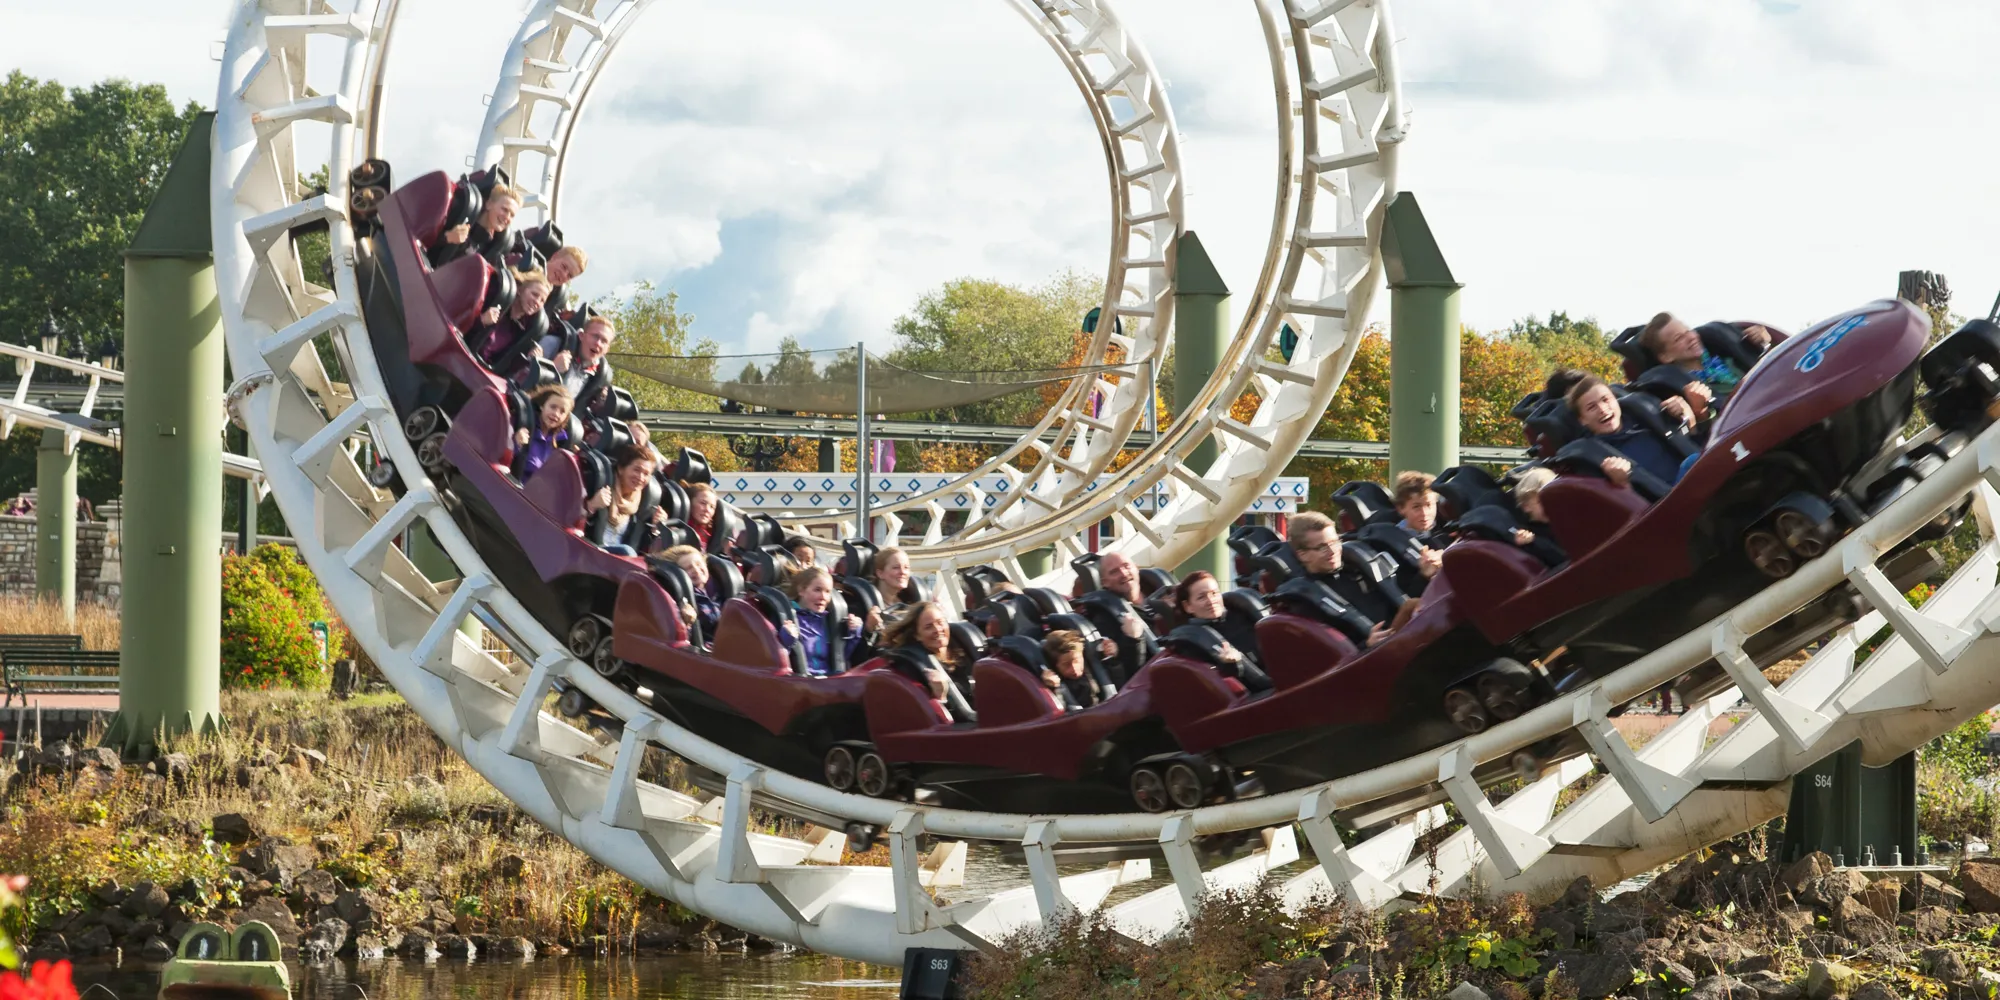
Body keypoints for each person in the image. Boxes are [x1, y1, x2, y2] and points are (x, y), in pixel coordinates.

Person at [1285, 511, 1398, 647]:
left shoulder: (1359, 568)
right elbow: (1324, 654)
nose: (1333, 551)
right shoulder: (1305, 600)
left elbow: (1404, 602)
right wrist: (1366, 646)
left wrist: (1424, 575)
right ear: (1303, 555)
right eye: (1322, 547)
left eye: (1334, 542)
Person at [1565, 375, 1686, 490]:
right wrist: (1621, 484)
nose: (1602, 409)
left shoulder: (1644, 420)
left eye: (1605, 399)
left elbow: (1690, 438)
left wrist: (1688, 416)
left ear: (1616, 400)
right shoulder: (1595, 457)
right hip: (1669, 499)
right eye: (1592, 407)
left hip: (1691, 472)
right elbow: (1624, 506)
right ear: (1582, 420)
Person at [1637, 312, 1771, 409]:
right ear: (1666, 356)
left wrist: (1764, 343)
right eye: (1679, 338)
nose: (1690, 338)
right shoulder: (1683, 389)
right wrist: (1700, 409)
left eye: (1688, 330)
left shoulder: (1725, 354)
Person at [878, 601, 976, 722]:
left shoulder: (961, 650)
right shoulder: (914, 666)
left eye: (940, 623)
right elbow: (924, 720)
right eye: (928, 627)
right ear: (917, 635)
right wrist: (940, 697)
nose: (938, 629)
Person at [782, 567, 864, 678]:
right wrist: (786, 638)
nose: (823, 597)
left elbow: (840, 658)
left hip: (827, 682)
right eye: (817, 590)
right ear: (801, 590)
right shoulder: (786, 616)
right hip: (799, 683)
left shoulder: (829, 620)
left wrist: (854, 632)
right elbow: (774, 659)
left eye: (827, 592)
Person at [584, 445, 664, 556]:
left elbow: (644, 550)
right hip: (590, 553)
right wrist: (591, 506)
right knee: (627, 552)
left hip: (620, 563)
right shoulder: (597, 485)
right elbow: (566, 519)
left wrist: (656, 529)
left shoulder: (644, 502)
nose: (641, 477)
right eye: (637, 470)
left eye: (646, 474)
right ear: (621, 469)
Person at [1173, 571, 1262, 670]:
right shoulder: (1191, 641)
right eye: (1201, 597)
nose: (1211, 601)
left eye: (1214, 593)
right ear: (1188, 606)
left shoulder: (1242, 613)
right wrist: (1228, 664)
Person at [470, 269, 550, 375]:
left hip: (482, 372)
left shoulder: (522, 331)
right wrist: (481, 321)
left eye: (542, 301)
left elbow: (506, 366)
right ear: (520, 290)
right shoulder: (496, 299)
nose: (537, 302)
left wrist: (529, 360)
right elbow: (460, 325)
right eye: (534, 294)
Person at [430, 183, 519, 269]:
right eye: (504, 209)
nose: (507, 217)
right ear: (489, 204)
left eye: (512, 215)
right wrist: (448, 237)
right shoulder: (459, 217)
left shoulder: (493, 249)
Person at [1389, 470, 1445, 581]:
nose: (1425, 513)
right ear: (1401, 508)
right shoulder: (1392, 543)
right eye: (1416, 507)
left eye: (1429, 505)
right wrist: (1424, 575)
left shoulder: (1446, 534)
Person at [512, 383, 574, 482]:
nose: (556, 414)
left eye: (562, 411)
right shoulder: (522, 422)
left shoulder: (561, 442)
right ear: (542, 405)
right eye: (553, 407)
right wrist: (515, 443)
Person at [1510, 467, 1567, 567]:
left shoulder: (1566, 521)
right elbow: (1562, 559)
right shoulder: (1530, 534)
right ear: (1526, 506)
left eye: (1554, 497)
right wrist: (1533, 542)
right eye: (1541, 500)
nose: (1551, 503)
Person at [660, 544, 721, 638]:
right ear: (677, 575)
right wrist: (686, 622)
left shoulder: (718, 587)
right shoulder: (681, 598)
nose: (696, 570)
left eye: (698, 564)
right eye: (688, 568)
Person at [559, 315, 617, 412]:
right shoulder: (556, 346)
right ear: (581, 335)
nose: (598, 343)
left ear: (607, 349)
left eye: (604, 341)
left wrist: (600, 405)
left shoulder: (600, 378)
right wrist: (552, 367)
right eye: (595, 336)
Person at [1041, 630, 1101, 711]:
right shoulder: (1055, 682)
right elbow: (1061, 714)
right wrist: (1054, 689)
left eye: (1077, 661)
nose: (1074, 669)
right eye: (1066, 664)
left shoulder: (1094, 668)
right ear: (1055, 665)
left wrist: (1112, 663)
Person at [543, 245, 588, 318]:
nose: (564, 275)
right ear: (554, 256)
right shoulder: (523, 266)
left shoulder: (559, 301)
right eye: (563, 266)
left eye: (569, 275)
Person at [685, 482, 721, 549]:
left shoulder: (715, 536)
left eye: (712, 507)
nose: (707, 510)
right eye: (703, 503)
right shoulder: (678, 529)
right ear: (689, 502)